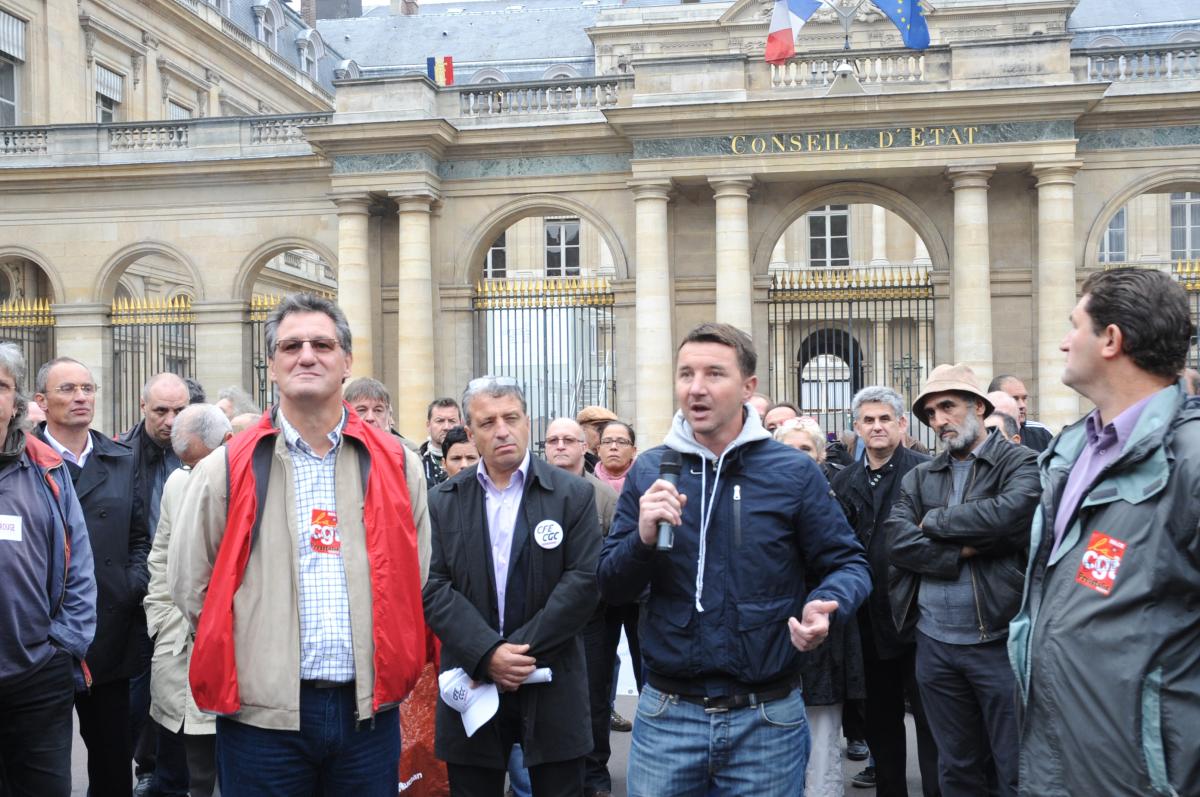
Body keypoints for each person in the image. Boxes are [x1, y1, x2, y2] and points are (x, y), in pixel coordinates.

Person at [169, 293, 431, 795]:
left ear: (346, 361)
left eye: (322, 344)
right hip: (261, 722)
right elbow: (190, 584)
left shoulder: (398, 464)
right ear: (272, 365)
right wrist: (255, 656)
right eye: (291, 346)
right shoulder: (226, 467)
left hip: (367, 714)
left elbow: (415, 575)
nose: (306, 355)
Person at [598, 322, 871, 797]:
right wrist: (641, 539)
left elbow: (849, 564)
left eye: (714, 374)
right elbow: (610, 584)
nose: (696, 387)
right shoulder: (651, 470)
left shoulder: (792, 472)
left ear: (748, 387)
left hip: (766, 718)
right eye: (686, 374)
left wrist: (827, 603)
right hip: (667, 717)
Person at [1009, 268, 1200, 796]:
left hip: (1144, 776)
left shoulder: (1189, 459)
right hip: (1062, 760)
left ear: (1111, 339)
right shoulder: (1073, 451)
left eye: (1075, 325)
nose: (1064, 342)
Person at [423, 378, 601, 796]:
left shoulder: (572, 495)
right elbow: (433, 585)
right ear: (470, 434)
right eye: (488, 422)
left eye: (512, 418)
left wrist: (514, 655)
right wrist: (487, 654)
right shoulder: (443, 500)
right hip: (472, 680)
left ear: (527, 423)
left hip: (552, 679)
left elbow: (583, 582)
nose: (502, 431)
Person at [886, 364, 1040, 797]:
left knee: (1015, 769)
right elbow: (897, 542)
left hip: (999, 641)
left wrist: (933, 521)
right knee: (956, 769)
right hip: (935, 645)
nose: (939, 420)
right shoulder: (920, 475)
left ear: (979, 407)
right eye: (931, 413)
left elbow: (1009, 518)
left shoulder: (1020, 461)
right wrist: (963, 550)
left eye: (948, 407)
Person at [33, 357, 150, 797]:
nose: (81, 397)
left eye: (87, 388)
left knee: (112, 760)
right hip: (39, 637)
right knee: (36, 764)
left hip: (110, 633)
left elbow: (141, 537)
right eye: (67, 389)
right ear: (42, 401)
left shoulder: (122, 459)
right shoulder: (23, 461)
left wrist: (129, 585)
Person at [829, 387, 938, 797]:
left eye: (885, 419)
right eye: (868, 420)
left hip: (919, 616)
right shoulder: (844, 480)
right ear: (856, 428)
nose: (877, 427)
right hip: (867, 623)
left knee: (931, 722)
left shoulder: (926, 472)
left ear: (902, 424)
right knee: (880, 722)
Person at [0, 343, 96, 797]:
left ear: (16, 400)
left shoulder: (47, 468)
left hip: (37, 674)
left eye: (1, 386)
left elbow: (80, 566)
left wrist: (64, 645)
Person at [144, 404, 233, 797]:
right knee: (186, 771)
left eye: (200, 463)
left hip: (232, 653)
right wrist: (161, 619)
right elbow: (161, 556)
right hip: (179, 649)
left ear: (227, 443)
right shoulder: (178, 483)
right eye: (186, 464)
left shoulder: (252, 482)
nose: (194, 473)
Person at [775, 415, 865, 797]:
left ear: (820, 455)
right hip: (775, 631)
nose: (797, 457)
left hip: (822, 629)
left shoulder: (834, 498)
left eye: (805, 449)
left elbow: (847, 563)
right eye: (789, 449)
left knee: (821, 738)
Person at [120, 372, 190, 796]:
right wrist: (135, 584)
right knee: (140, 695)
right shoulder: (122, 455)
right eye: (161, 410)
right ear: (143, 407)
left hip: (184, 595)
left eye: (179, 410)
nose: (170, 420)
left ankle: (169, 772)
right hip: (140, 595)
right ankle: (147, 766)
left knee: (179, 693)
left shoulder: (201, 453)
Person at [544, 416, 620, 797]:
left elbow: (613, 556)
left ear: (584, 448)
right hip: (542, 616)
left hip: (591, 618)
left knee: (593, 697)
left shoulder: (603, 496)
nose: (560, 446)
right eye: (552, 440)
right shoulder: (531, 491)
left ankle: (594, 774)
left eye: (568, 440)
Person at [344, 376, 420, 451]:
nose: (370, 418)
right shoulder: (337, 450)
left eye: (378, 410)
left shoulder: (406, 452)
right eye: (361, 410)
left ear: (388, 415)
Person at [986, 375, 1052, 453]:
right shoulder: (982, 436)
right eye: (1015, 399)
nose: (1022, 405)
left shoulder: (1042, 433)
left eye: (1024, 398)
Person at [421, 398, 462, 485]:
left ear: (461, 424)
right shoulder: (417, 462)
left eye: (452, 421)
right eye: (440, 421)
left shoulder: (475, 460)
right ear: (428, 425)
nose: (446, 427)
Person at [593, 419, 636, 495]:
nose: (613, 447)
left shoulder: (646, 483)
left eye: (621, 442)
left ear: (633, 451)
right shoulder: (586, 484)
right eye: (607, 442)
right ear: (599, 450)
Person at [575, 405, 618, 474]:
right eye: (600, 429)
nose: (605, 434)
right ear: (582, 430)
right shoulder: (577, 460)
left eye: (608, 430)